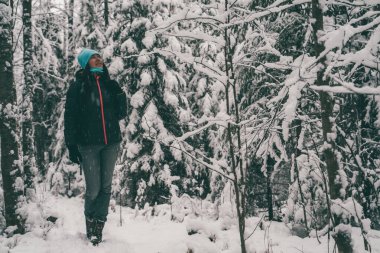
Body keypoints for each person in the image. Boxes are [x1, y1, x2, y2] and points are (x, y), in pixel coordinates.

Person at [64, 48, 127, 245]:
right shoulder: (78, 86)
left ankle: (98, 226)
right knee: (94, 189)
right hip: (88, 144)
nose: (98, 59)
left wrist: (120, 95)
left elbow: (120, 114)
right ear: (85, 63)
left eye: (99, 57)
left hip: (111, 143)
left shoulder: (109, 84)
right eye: (93, 58)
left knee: (106, 187)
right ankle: (90, 222)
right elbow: (70, 117)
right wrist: (72, 146)